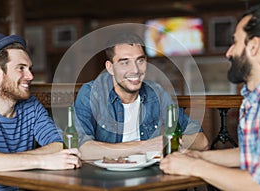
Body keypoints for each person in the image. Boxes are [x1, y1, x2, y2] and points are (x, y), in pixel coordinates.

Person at [160, 2, 260, 191]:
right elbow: (257, 155)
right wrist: (200, 157)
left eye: (235, 42)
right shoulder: (258, 95)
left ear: (254, 46)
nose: (228, 52)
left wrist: (194, 166)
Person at [74, 32, 209, 160]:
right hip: (105, 179)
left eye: (140, 61)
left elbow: (201, 141)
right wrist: (145, 146)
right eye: (125, 62)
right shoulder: (92, 93)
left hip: (151, 175)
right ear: (110, 67)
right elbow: (82, 149)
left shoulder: (156, 93)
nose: (135, 70)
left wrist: (168, 142)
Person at [0, 33, 81, 190]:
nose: (30, 76)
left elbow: (60, 145)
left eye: (30, 69)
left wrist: (6, 161)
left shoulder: (31, 106)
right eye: (21, 68)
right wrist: (42, 161)